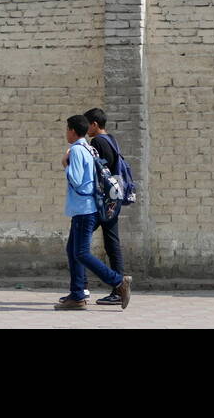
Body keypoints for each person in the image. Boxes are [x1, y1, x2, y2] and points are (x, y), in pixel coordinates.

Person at [57, 115, 132, 310]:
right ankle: (77, 294)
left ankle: (118, 281)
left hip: (84, 209)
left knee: (81, 252)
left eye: (67, 129)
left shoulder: (76, 150)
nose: (66, 133)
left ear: (73, 131)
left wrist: (65, 164)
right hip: (88, 207)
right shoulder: (89, 148)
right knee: (72, 250)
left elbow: (76, 179)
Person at [85, 107, 125, 306]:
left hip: (101, 201)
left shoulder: (97, 142)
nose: (86, 130)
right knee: (112, 244)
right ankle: (119, 289)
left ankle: (81, 290)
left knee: (77, 245)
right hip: (113, 198)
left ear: (94, 124)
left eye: (87, 125)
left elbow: (98, 170)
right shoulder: (112, 139)